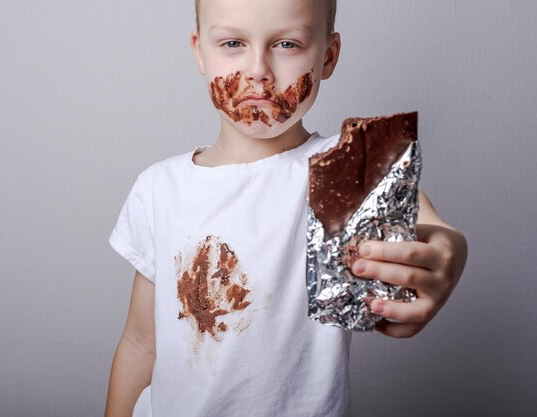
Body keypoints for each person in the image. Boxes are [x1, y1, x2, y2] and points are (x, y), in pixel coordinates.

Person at [104, 0, 468, 416]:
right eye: (233, 42)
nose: (258, 69)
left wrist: (447, 249)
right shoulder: (159, 187)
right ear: (200, 51)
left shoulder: (343, 168)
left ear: (327, 56)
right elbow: (140, 342)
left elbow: (428, 223)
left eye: (287, 44)